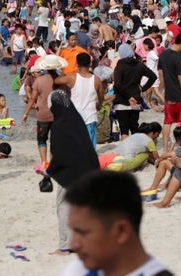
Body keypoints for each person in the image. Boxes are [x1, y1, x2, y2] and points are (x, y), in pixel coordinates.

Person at [61, 171, 172, 276]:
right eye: (73, 231)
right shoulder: (77, 270)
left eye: (82, 232)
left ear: (121, 231)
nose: (74, 244)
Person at [45, 90, 100, 256]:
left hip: (69, 173)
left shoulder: (58, 126)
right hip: (89, 170)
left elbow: (58, 154)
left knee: (64, 206)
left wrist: (48, 171)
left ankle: (64, 247)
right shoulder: (77, 120)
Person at [55, 53, 103, 147]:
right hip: (90, 115)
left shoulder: (71, 77)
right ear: (90, 64)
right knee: (90, 145)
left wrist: (62, 73)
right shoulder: (96, 80)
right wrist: (99, 105)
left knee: (74, 144)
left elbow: (56, 81)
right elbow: (101, 96)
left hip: (75, 115)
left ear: (77, 63)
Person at [113, 43, 157, 138]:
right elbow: (153, 77)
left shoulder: (120, 66)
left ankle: (126, 151)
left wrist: (128, 97)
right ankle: (136, 150)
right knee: (134, 127)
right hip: (136, 99)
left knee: (124, 129)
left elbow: (117, 85)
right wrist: (143, 88)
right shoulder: (139, 64)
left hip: (122, 100)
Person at [157, 33, 181, 152]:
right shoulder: (178, 58)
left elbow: (161, 75)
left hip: (169, 95)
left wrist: (164, 88)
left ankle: (166, 148)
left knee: (167, 121)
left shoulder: (163, 55)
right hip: (179, 96)